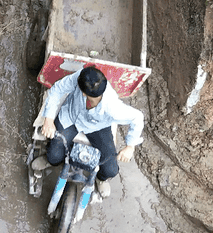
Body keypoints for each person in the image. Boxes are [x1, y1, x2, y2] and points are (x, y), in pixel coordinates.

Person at [39, 64, 143, 198]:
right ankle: (51, 160)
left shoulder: (113, 107)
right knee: (54, 155)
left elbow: (137, 117)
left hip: (97, 126)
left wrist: (130, 146)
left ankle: (100, 179)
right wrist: (48, 119)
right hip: (71, 117)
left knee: (110, 169)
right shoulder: (80, 77)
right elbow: (58, 89)